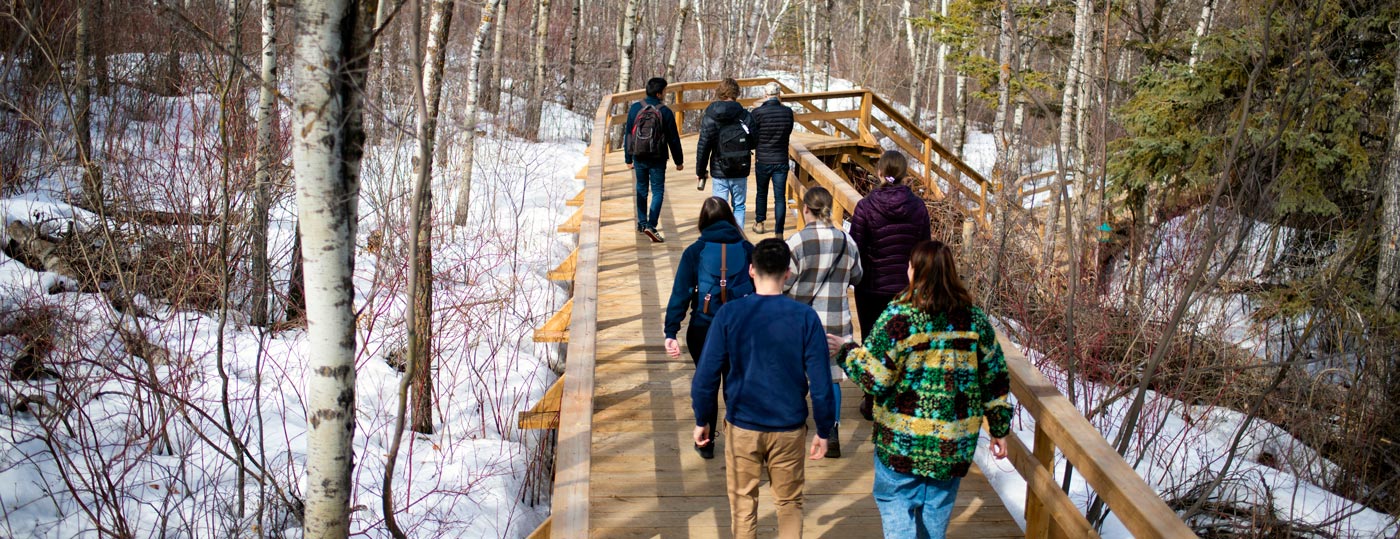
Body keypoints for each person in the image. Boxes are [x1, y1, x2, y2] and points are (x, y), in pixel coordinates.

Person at [828, 240, 1012, 539]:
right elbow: (995, 377)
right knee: (934, 519)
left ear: (913, 271)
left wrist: (846, 352)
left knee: (895, 504)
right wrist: (999, 428)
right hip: (952, 445)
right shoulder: (974, 320)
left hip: (901, 441)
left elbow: (875, 377)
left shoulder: (899, 318)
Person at [692, 238, 834, 539]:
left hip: (742, 424)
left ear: (752, 270)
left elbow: (706, 375)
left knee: (743, 504)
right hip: (789, 426)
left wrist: (702, 418)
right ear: (787, 274)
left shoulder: (729, 314)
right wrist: (824, 429)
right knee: (790, 503)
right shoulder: (805, 318)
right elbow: (821, 384)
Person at [664, 197, 754, 458]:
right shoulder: (748, 248)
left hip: (703, 329)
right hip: (740, 330)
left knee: (707, 383)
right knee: (734, 385)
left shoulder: (695, 251)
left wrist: (671, 331)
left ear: (703, 221)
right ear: (730, 218)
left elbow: (680, 293)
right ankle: (740, 443)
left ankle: (706, 439)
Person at [849, 151, 931, 419]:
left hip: (871, 285)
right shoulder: (918, 207)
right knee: (904, 342)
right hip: (905, 287)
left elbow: (856, 247)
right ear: (905, 174)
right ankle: (900, 400)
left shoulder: (865, 206)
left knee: (872, 340)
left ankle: (872, 399)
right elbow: (925, 248)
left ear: (879, 172)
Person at [784, 186, 862, 458]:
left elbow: (785, 281)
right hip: (834, 319)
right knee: (832, 377)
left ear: (806, 209)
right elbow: (857, 276)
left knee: (795, 373)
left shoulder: (795, 243)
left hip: (799, 321)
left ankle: (795, 422)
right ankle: (831, 431)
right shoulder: (846, 241)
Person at [624, 77, 684, 243]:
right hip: (657, 157)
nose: (665, 93)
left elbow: (628, 134)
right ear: (659, 93)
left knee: (641, 189)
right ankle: (651, 224)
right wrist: (679, 161)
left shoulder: (635, 108)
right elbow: (673, 139)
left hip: (639, 155)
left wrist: (628, 158)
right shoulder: (665, 112)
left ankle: (642, 223)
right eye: (664, 91)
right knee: (657, 191)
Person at [695, 78, 755, 228]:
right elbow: (754, 141)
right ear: (736, 93)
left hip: (719, 169)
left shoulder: (710, 116)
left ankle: (721, 242)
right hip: (740, 168)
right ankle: (738, 241)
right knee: (739, 207)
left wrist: (701, 171)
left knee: (719, 209)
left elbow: (704, 146)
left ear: (720, 92)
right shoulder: (744, 115)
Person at [750, 82, 795, 236]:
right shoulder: (788, 112)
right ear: (779, 95)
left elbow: (752, 134)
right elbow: (788, 131)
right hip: (781, 159)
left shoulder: (757, 113)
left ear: (765, 94)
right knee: (780, 197)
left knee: (761, 193)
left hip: (763, 158)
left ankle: (760, 223)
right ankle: (779, 232)